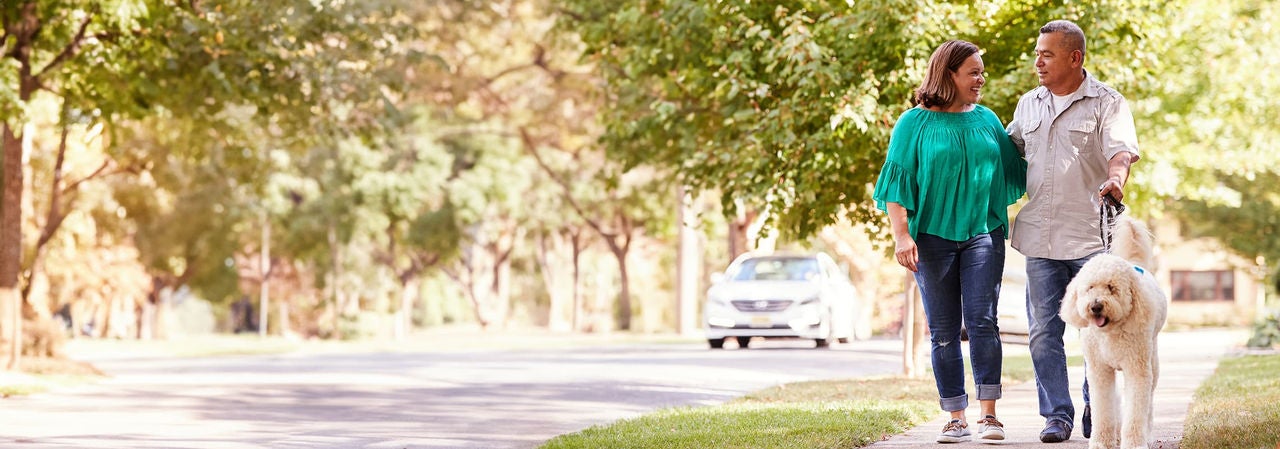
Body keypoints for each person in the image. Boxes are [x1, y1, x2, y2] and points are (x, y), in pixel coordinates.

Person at [872, 40, 1027, 444]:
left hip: (982, 234)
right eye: (973, 72)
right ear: (949, 75)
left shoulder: (988, 120)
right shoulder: (913, 123)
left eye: (981, 72)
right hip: (930, 240)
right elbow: (897, 182)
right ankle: (955, 416)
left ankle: (989, 415)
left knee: (983, 322)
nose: (981, 79)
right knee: (942, 331)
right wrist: (901, 234)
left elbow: (1019, 165)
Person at [1005, 20, 1141, 443]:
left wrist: (1116, 178)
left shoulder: (1107, 102)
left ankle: (1094, 412)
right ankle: (1056, 416)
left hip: (1090, 238)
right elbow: (1007, 152)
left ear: (1074, 57)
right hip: (1040, 238)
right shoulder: (1029, 104)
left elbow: (1121, 152)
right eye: (1037, 53)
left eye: (1046, 54)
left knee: (1096, 330)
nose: (1038, 61)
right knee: (1044, 329)